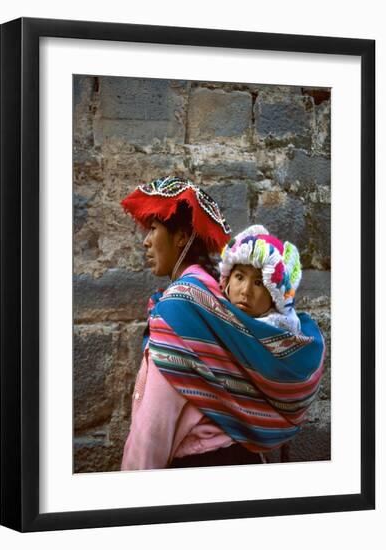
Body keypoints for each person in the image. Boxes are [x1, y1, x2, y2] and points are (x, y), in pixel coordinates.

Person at [120, 176, 325, 471]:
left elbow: (154, 426)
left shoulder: (181, 308)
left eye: (153, 228)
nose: (146, 240)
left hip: (200, 471)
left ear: (181, 237)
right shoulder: (214, 297)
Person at [218, 224, 303, 335]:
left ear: (276, 298)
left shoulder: (291, 336)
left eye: (258, 283)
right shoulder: (208, 318)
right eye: (239, 277)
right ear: (228, 279)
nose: (245, 291)